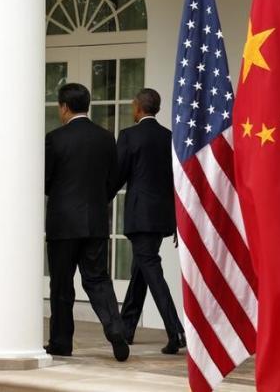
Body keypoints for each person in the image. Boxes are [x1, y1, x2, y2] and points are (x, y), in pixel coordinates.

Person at [44, 83, 129, 362]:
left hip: (63, 223)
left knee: (62, 284)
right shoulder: (105, 138)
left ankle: (61, 342)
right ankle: (115, 328)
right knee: (97, 278)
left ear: (64, 107)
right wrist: (99, 200)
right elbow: (114, 178)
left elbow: (45, 180)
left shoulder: (55, 139)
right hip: (95, 221)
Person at [111, 88, 186, 354]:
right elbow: (177, 179)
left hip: (140, 216)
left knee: (150, 269)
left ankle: (176, 330)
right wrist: (177, 218)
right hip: (161, 215)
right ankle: (127, 328)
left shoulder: (129, 136)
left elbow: (118, 174)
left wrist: (100, 198)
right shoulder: (169, 137)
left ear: (138, 107)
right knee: (141, 270)